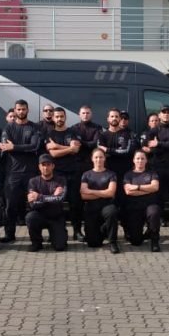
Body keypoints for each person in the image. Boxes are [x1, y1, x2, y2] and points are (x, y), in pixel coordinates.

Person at [0, 99, 40, 242]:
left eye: (23, 109)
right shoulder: (8, 128)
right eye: (18, 109)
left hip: (31, 173)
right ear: (14, 111)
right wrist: (23, 147)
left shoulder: (34, 128)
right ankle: (9, 235)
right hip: (13, 174)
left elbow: (34, 146)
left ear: (28, 110)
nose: (21, 111)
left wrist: (14, 147)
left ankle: (36, 236)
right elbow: (5, 147)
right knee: (10, 206)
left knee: (34, 205)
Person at [44, 106, 82, 240]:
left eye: (62, 116)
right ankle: (55, 231)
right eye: (57, 116)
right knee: (56, 204)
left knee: (75, 204)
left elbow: (76, 150)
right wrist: (69, 148)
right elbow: (53, 154)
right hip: (57, 174)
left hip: (73, 172)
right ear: (53, 118)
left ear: (65, 117)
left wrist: (59, 146)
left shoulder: (72, 132)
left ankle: (77, 231)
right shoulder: (50, 134)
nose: (59, 119)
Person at [71, 105, 102, 240]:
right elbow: (74, 146)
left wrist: (82, 143)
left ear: (91, 114)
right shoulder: (73, 129)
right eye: (83, 113)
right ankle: (76, 231)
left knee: (94, 200)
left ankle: (95, 229)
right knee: (76, 202)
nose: (85, 115)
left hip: (93, 169)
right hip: (76, 168)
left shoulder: (97, 128)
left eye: (88, 113)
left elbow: (95, 144)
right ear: (79, 114)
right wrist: (86, 144)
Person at [80, 148, 120, 254]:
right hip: (91, 207)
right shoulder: (86, 175)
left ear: (104, 158)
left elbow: (111, 193)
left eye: (101, 157)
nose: (99, 160)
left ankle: (113, 242)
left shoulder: (111, 174)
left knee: (112, 212)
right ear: (92, 159)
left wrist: (91, 191)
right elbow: (84, 195)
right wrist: (103, 193)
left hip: (106, 205)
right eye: (96, 157)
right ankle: (103, 230)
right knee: (93, 243)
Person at [26, 154, 68, 252]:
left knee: (60, 247)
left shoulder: (61, 180)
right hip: (39, 215)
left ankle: (59, 234)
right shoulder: (33, 181)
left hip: (56, 217)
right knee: (30, 217)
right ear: (39, 167)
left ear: (53, 166)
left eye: (48, 164)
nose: (45, 167)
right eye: (43, 165)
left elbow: (60, 199)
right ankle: (36, 243)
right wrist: (53, 197)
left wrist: (39, 197)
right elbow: (33, 204)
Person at [145, 105, 169, 214]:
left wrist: (159, 143)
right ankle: (159, 219)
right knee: (158, 194)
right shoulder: (154, 131)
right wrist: (164, 146)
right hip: (158, 167)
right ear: (159, 115)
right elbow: (148, 146)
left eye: (168, 112)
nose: (166, 114)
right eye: (164, 112)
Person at [122, 150, 161, 252]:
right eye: (138, 158)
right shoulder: (128, 175)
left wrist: (137, 187)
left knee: (154, 212)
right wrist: (147, 190)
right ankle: (143, 233)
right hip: (134, 207)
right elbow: (128, 192)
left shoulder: (152, 173)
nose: (140, 161)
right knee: (136, 241)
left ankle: (155, 241)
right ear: (133, 160)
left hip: (150, 204)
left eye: (142, 158)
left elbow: (155, 187)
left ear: (146, 160)